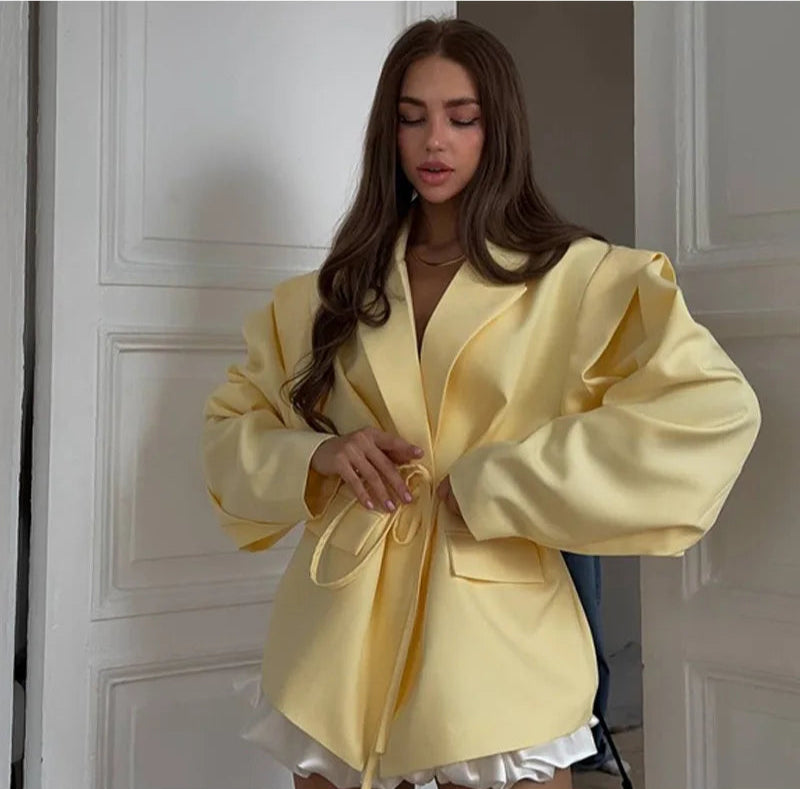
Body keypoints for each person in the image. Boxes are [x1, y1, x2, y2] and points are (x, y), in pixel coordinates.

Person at [202, 17, 760, 789]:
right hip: (338, 637)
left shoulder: (577, 278)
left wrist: (501, 482)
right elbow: (230, 431)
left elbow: (711, 407)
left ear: (498, 130)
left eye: (462, 118)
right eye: (412, 116)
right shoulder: (329, 293)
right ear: (387, 134)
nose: (436, 140)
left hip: (497, 636)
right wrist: (319, 453)